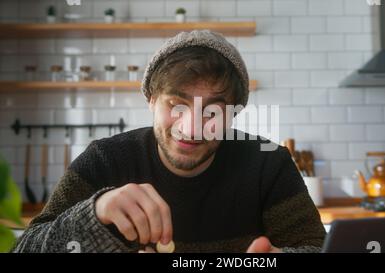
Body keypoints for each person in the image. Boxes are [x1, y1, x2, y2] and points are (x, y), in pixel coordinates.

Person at [12, 30, 325, 253]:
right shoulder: (105, 160)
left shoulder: (268, 164)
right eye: (177, 105)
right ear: (151, 100)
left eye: (213, 111)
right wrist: (96, 213)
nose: (192, 128)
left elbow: (317, 248)